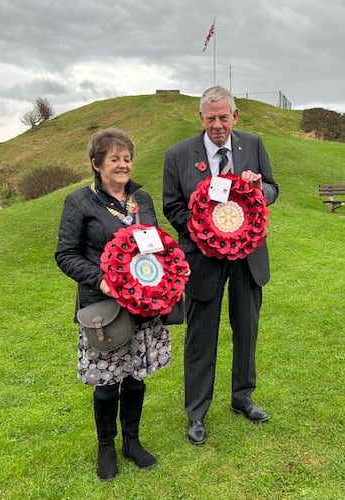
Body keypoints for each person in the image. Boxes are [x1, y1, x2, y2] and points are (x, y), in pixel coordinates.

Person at [162, 86, 279, 445]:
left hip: (248, 257)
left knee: (247, 330)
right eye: (210, 118)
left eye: (223, 117)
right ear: (200, 118)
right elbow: (171, 205)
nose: (217, 125)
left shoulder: (253, 145)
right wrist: (201, 229)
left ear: (235, 116)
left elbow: (273, 189)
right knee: (201, 337)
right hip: (203, 259)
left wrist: (259, 190)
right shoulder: (178, 154)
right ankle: (196, 412)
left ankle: (243, 398)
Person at [55, 128, 165, 481]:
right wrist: (103, 280)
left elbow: (156, 244)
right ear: (96, 164)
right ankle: (107, 448)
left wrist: (165, 277)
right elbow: (66, 254)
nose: (123, 165)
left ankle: (132, 442)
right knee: (107, 383)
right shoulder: (80, 202)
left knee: (135, 378)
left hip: (143, 306)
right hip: (104, 308)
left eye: (127, 158)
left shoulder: (142, 200)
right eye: (114, 159)